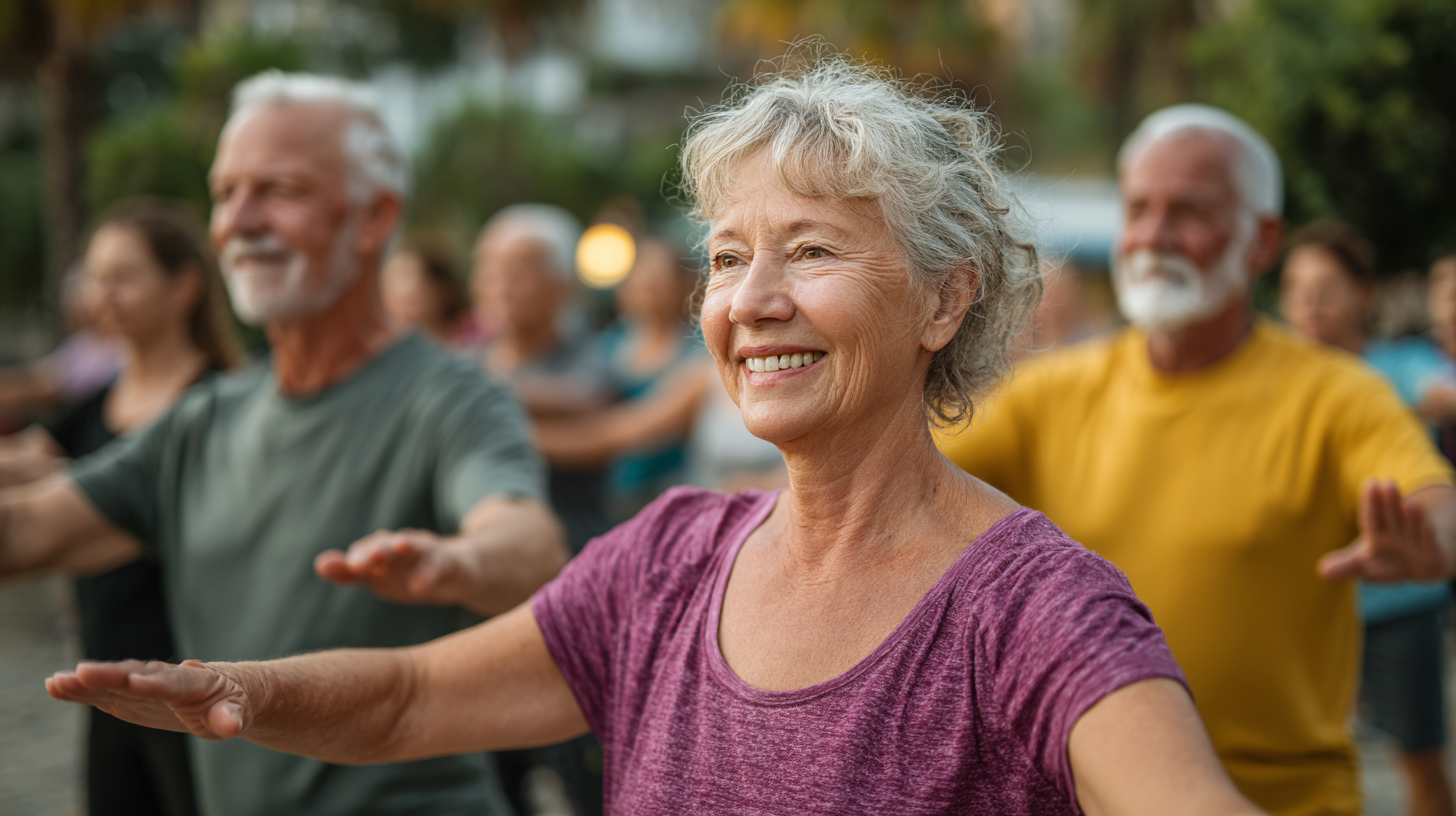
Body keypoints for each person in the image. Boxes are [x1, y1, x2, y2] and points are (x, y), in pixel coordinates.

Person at [47, 56, 1276, 816]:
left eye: (810, 250)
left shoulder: (1035, 609)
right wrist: (238, 691)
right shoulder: (670, 558)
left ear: (944, 300)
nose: (752, 300)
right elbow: (412, 697)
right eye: (728, 257)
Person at [1, 71, 566, 816]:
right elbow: (25, 531)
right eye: (225, 192)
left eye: (280, 190)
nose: (239, 220)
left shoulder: (453, 398)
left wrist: (460, 562)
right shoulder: (203, 420)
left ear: (374, 219)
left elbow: (528, 543)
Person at [936, 104, 1456, 816]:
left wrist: (1430, 538)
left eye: (1189, 212)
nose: (1153, 236)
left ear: (1262, 241)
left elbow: (1432, 499)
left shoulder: (1337, 395)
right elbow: (896, 480)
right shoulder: (1049, 394)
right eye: (1138, 209)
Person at [0, 199, 242, 816]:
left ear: (184, 286)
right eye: (97, 277)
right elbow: (23, 463)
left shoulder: (220, 402)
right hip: (105, 678)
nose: (103, 294)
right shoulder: (98, 400)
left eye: (124, 276)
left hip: (194, 682)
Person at [1280, 219, 1455, 816]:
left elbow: (1440, 389)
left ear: (1364, 293)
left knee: (1419, 765)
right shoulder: (1270, 380)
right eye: (1296, 287)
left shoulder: (1401, 367)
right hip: (1305, 607)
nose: (1309, 303)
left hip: (1397, 606)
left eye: (1326, 287)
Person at [533, 237, 711, 517]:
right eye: (640, 274)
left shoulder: (698, 352)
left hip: (669, 493)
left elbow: (616, 433)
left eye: (659, 276)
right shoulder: (606, 344)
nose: (648, 284)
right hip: (607, 492)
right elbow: (577, 396)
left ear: (684, 285)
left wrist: (517, 435)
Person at [379, 243, 475, 349]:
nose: (408, 288)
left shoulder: (473, 345)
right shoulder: (381, 350)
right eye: (395, 279)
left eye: (417, 276)